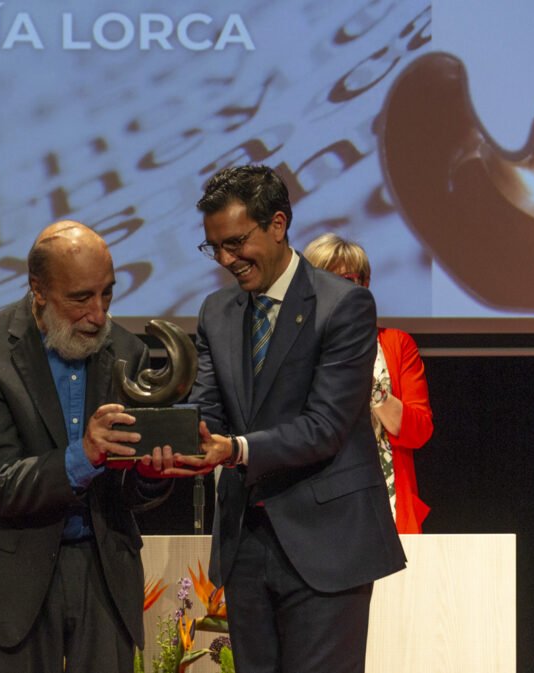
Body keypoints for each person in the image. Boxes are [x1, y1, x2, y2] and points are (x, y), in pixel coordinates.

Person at [172, 165, 406, 673]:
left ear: (277, 225)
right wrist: (169, 437)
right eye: (214, 247)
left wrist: (233, 450)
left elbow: (325, 426)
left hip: (327, 544)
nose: (226, 259)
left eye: (235, 242)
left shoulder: (344, 305)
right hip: (247, 544)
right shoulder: (217, 312)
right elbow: (207, 409)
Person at [0, 221, 173, 673]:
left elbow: (129, 492)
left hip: (103, 574)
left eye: (107, 293)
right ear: (38, 290)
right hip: (15, 578)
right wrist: (83, 456)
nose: (99, 314)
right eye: (81, 297)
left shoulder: (128, 351)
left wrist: (149, 475)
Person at [304, 234, 434, 533]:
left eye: (347, 279)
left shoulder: (397, 345)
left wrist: (372, 388)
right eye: (325, 278)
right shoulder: (294, 349)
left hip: (383, 501)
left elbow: (419, 431)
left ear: (364, 284)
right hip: (316, 504)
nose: (337, 289)